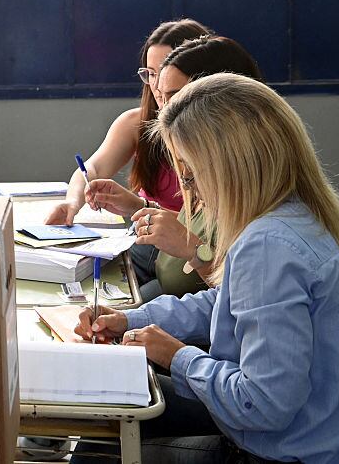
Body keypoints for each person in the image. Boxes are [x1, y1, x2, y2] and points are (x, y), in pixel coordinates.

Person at [74, 73, 339, 463]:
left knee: (102, 441)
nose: (192, 198)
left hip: (296, 452)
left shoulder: (267, 245)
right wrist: (132, 319)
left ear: (231, 168)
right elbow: (226, 301)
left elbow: (262, 404)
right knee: (123, 398)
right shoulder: (308, 215)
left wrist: (176, 356)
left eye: (191, 179)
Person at [84, 36, 264, 299]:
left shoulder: (256, 196)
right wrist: (131, 321)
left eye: (177, 100)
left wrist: (194, 250)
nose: (165, 114)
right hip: (175, 292)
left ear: (222, 106)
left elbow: (236, 303)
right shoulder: (206, 166)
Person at [46, 19, 211, 293]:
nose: (158, 87)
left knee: (130, 308)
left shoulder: (214, 140)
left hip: (185, 261)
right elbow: (91, 169)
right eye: (151, 74)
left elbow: (207, 232)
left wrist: (138, 206)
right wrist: (72, 204)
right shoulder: (138, 123)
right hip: (148, 242)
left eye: (166, 74)